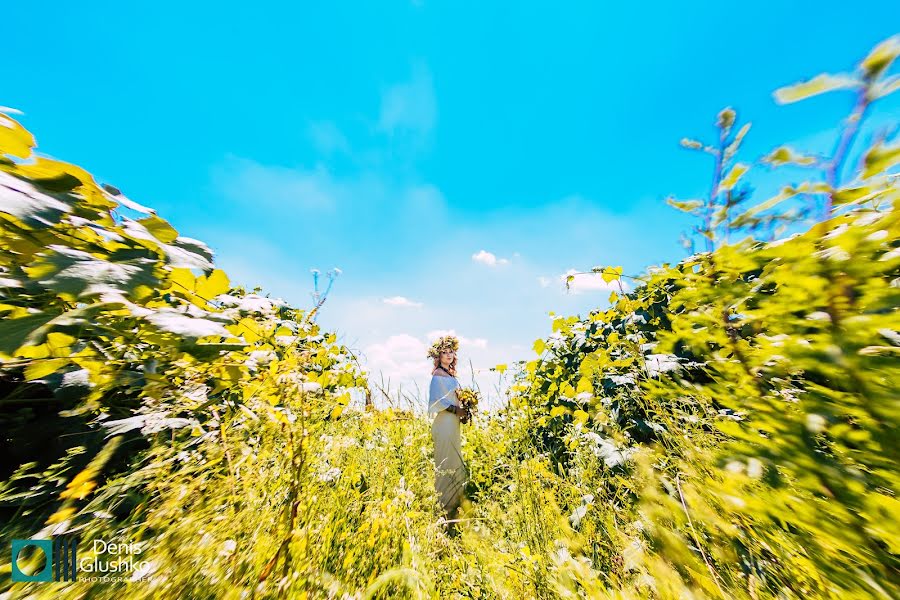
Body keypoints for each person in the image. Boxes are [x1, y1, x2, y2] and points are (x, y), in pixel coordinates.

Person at [427, 335, 470, 532]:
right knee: (445, 459)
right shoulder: (437, 375)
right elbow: (438, 402)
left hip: (453, 423)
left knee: (455, 458)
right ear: (438, 356)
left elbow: (454, 400)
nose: (448, 355)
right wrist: (456, 410)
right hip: (444, 422)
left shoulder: (451, 375)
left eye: (451, 351)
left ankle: (455, 503)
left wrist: (465, 409)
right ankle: (444, 506)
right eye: (444, 352)